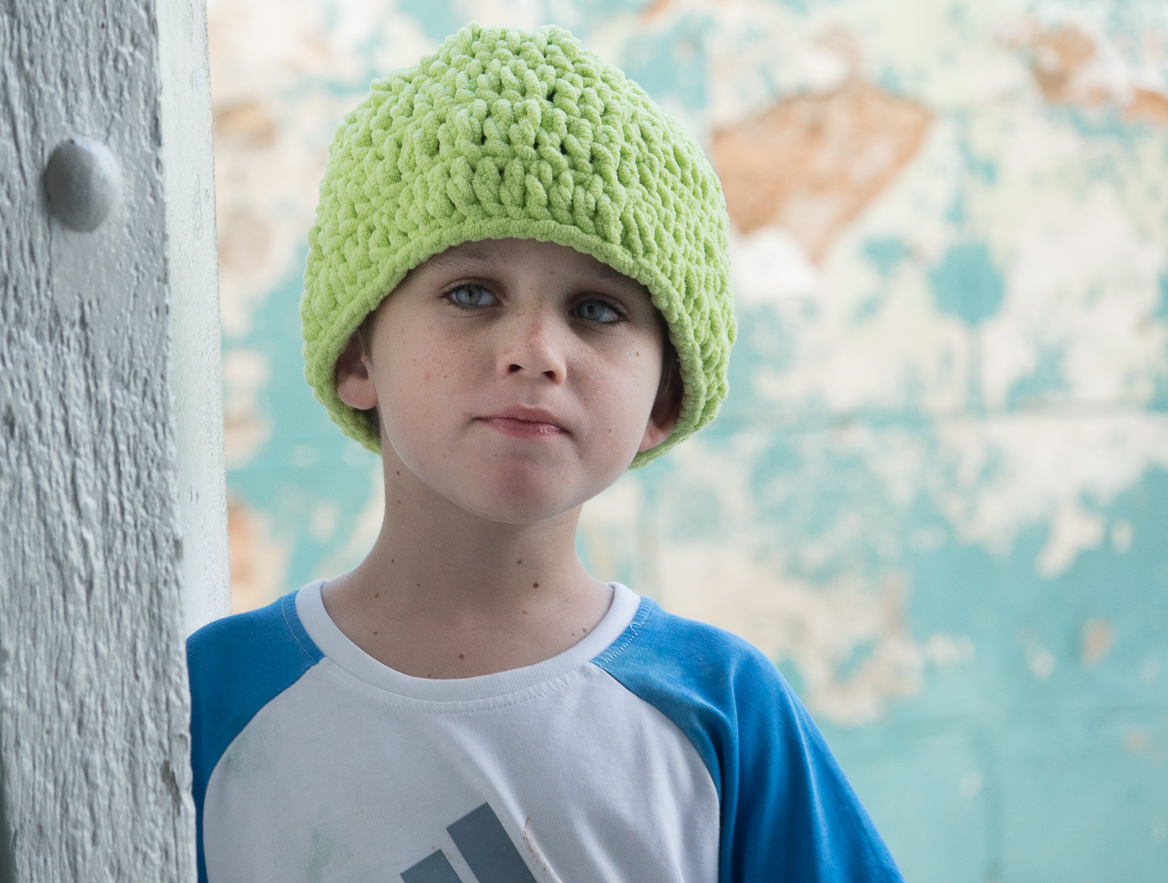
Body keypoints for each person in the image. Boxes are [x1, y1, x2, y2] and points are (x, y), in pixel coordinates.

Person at [187, 22, 904, 883]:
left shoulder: (723, 709)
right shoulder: (210, 700)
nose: (535, 350)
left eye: (597, 309)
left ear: (663, 400)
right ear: (355, 356)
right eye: (471, 292)